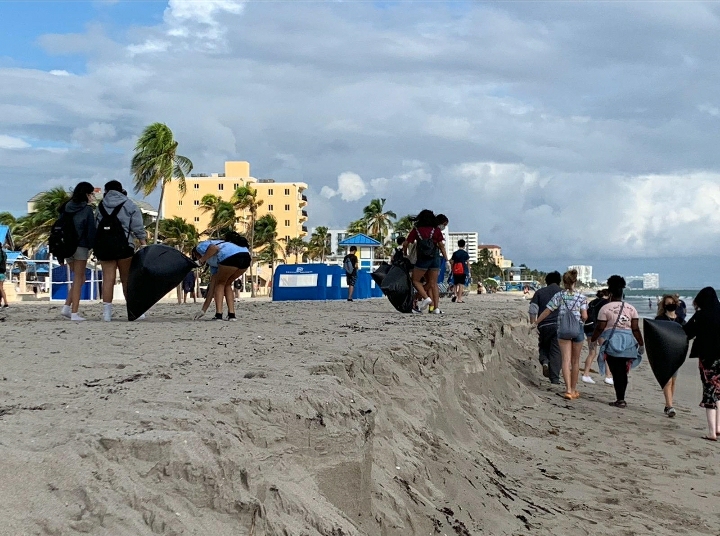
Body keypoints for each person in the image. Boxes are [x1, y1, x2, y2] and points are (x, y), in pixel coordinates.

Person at [95, 181, 147, 322]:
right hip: (124, 246)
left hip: (105, 247)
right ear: (121, 190)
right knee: (127, 280)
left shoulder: (100, 206)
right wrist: (143, 243)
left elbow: (96, 226)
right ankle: (135, 311)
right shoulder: (129, 204)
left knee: (108, 279)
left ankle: (106, 314)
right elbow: (137, 227)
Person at [532, 270, 588, 399]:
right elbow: (584, 316)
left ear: (564, 282)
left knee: (565, 360)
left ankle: (567, 389)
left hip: (562, 330)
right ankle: (574, 390)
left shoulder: (559, 296)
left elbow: (547, 310)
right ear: (575, 281)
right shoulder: (581, 297)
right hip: (577, 329)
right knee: (575, 361)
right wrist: (580, 318)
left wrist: (536, 323)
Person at [591, 275, 644, 409]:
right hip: (628, 343)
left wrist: (593, 340)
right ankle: (621, 398)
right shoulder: (631, 309)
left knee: (616, 371)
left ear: (610, 293)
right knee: (623, 372)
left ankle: (620, 399)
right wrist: (641, 344)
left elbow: (600, 327)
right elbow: (635, 328)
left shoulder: (605, 309)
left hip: (612, 342)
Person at [683, 287, 720, 441]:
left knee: (709, 391)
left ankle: (712, 432)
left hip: (707, 358)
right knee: (719, 391)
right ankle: (719, 427)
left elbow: (687, 332)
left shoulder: (701, 315)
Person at [58, 182, 97, 321]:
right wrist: (93, 247)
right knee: (79, 278)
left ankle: (67, 307)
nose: (93, 196)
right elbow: (91, 230)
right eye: (91, 193)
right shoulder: (86, 210)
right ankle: (74, 313)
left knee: (79, 279)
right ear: (86, 194)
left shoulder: (66, 207)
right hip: (80, 246)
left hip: (67, 247)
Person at [192, 239, 250, 320]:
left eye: (196, 257)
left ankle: (219, 314)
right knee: (227, 284)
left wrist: (201, 260)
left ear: (195, 253)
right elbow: (211, 289)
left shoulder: (199, 247)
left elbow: (214, 248)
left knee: (220, 284)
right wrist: (203, 311)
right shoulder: (213, 262)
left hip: (230, 257)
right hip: (246, 258)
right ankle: (231, 315)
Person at [403, 211, 449, 314]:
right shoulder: (436, 230)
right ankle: (435, 308)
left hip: (423, 258)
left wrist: (405, 253)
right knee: (433, 284)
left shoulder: (417, 230)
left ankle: (425, 297)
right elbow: (441, 245)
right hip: (435, 258)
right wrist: (446, 260)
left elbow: (406, 243)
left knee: (415, 280)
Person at [528, 271, 563, 385]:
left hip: (543, 324)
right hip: (559, 325)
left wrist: (534, 324)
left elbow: (533, 309)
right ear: (559, 281)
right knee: (556, 351)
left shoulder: (539, 292)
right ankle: (555, 378)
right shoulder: (563, 293)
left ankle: (545, 361)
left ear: (546, 281)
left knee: (543, 346)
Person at [655, 294, 686, 418]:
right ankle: (669, 405)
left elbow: (686, 335)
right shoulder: (660, 319)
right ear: (664, 305)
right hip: (664, 354)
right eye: (667, 303)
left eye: (672, 302)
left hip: (676, 354)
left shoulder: (680, 320)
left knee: (673, 381)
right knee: (667, 381)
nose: (670, 305)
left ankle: (669, 404)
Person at [581, 289, 614, 385]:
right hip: (600, 329)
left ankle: (585, 374)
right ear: (608, 295)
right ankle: (608, 376)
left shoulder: (592, 302)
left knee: (592, 352)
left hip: (589, 327)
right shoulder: (607, 303)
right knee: (606, 353)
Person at [450, 239, 470, 303]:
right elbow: (468, 263)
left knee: (455, 283)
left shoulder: (455, 253)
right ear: (464, 245)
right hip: (462, 270)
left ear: (458, 245)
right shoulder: (465, 253)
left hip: (455, 269)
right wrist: (469, 271)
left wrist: (452, 269)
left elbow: (452, 261)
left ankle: (455, 294)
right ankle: (459, 298)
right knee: (461, 284)